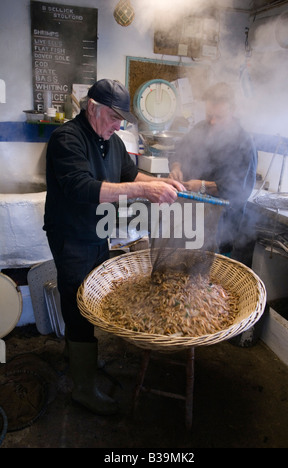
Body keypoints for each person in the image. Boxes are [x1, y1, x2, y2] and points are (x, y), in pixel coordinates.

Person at [43, 79, 185, 416]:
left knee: (91, 298)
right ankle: (82, 389)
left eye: (121, 119)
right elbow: (83, 188)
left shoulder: (113, 140)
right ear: (92, 108)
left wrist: (159, 183)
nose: (117, 124)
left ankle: (78, 356)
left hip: (96, 233)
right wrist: (144, 194)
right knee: (77, 302)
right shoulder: (67, 139)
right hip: (71, 235)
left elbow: (130, 174)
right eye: (112, 117)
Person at [169, 82, 257, 265]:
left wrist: (202, 186)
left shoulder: (244, 143)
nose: (213, 121)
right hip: (190, 219)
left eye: (219, 116)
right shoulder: (201, 128)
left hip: (222, 227)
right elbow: (179, 151)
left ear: (232, 111)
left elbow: (239, 189)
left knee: (213, 278)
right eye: (209, 115)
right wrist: (176, 167)